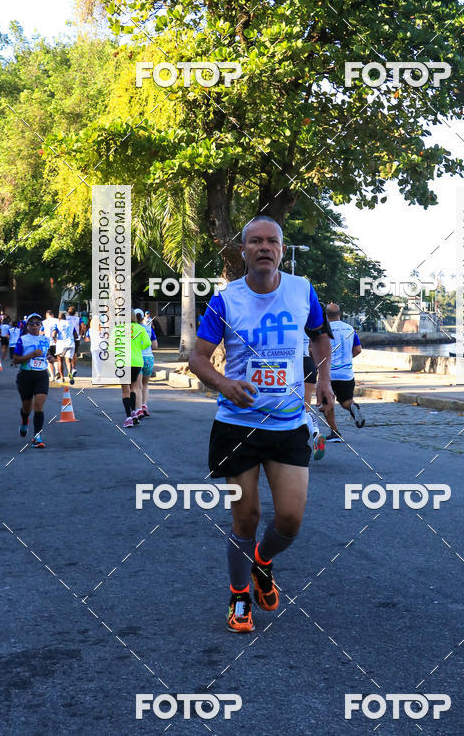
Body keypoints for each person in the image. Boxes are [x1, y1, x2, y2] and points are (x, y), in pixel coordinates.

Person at [189, 215, 334, 634]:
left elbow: (320, 336)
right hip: (237, 425)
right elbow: (198, 357)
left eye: (272, 241)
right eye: (256, 242)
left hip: (288, 424)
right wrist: (223, 383)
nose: (265, 248)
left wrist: (323, 382)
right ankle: (238, 595)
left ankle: (263, 562)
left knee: (290, 520)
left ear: (282, 251)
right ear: (244, 252)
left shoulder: (301, 290)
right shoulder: (225, 300)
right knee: (246, 517)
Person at [322, 302, 365, 441]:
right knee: (346, 401)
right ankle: (353, 407)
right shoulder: (350, 329)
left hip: (328, 374)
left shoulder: (323, 329)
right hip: (346, 373)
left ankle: (335, 433)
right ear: (340, 314)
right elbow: (358, 349)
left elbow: (316, 350)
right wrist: (347, 358)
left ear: (326, 315)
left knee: (328, 403)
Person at [12, 313, 51, 448]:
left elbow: (47, 355)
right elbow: (15, 360)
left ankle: (36, 437)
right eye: (31, 323)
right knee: (27, 407)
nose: (34, 326)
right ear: (27, 326)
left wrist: (51, 358)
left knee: (39, 405)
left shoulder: (46, 340)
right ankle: (24, 421)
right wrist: (31, 355)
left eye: (37, 323)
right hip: (26, 376)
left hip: (41, 376)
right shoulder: (23, 340)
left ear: (41, 325)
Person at [118, 311, 151, 428]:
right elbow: (148, 343)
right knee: (133, 387)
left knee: (125, 390)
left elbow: (111, 346)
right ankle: (134, 413)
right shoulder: (140, 328)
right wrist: (137, 348)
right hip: (137, 362)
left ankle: (128, 418)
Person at [135, 309, 158, 417]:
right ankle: (144, 406)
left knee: (137, 386)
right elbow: (155, 346)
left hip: (137, 358)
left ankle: (138, 409)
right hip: (149, 358)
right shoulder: (149, 329)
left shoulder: (131, 329)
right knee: (145, 384)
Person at [54, 312, 77, 385]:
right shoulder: (70, 324)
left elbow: (53, 333)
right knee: (68, 361)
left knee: (60, 361)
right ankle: (70, 373)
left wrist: (55, 338)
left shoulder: (57, 324)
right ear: (65, 318)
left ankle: (62, 378)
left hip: (61, 343)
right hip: (70, 343)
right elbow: (75, 335)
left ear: (59, 318)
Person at [42, 310, 60, 381]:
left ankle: (52, 376)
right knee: (57, 359)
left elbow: (41, 331)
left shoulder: (44, 322)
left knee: (49, 360)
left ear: (47, 315)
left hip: (47, 343)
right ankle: (58, 372)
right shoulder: (57, 321)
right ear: (52, 315)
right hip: (57, 343)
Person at [66, 305, 81, 372]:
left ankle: (69, 367)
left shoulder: (65, 318)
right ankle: (74, 367)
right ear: (75, 313)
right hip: (76, 337)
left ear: (68, 312)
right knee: (74, 353)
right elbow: (83, 326)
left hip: (67, 338)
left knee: (67, 353)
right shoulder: (78, 319)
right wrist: (81, 332)